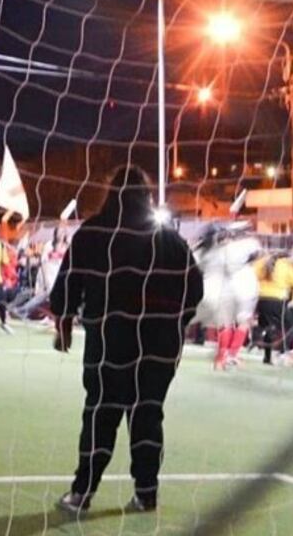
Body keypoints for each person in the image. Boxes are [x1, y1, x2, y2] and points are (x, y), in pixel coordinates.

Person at [50, 165, 203, 516]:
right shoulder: (168, 239)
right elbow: (195, 287)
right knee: (148, 416)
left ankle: (81, 494)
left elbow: (67, 284)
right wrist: (176, 324)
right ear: (148, 196)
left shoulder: (94, 232)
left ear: (112, 193)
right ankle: (146, 494)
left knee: (101, 415)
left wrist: (65, 323)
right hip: (159, 347)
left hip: (111, 340)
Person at [193, 224, 261, 370]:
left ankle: (221, 357)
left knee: (225, 323)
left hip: (218, 291)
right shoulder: (246, 244)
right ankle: (232, 355)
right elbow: (256, 254)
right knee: (243, 321)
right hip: (243, 287)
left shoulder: (207, 251)